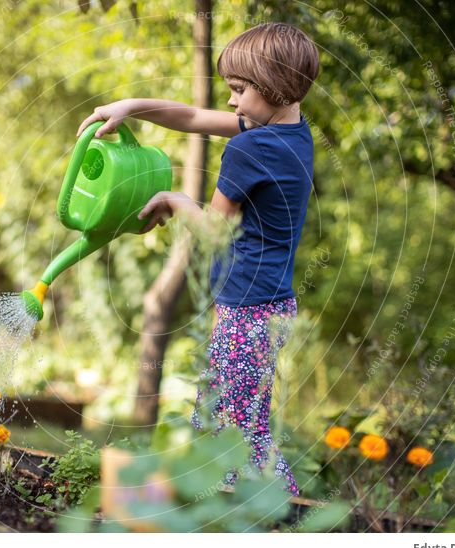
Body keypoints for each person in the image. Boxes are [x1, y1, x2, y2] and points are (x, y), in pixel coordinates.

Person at [76, 22, 319, 496]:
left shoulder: (250, 147)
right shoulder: (292, 129)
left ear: (272, 87)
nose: (231, 101)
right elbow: (193, 117)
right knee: (231, 424)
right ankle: (241, 513)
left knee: (234, 434)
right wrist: (133, 108)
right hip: (269, 305)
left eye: (239, 90)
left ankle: (275, 518)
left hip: (248, 309)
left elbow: (213, 229)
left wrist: (174, 199)